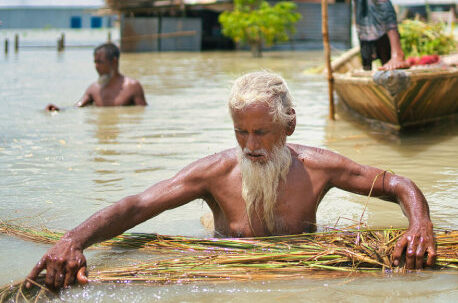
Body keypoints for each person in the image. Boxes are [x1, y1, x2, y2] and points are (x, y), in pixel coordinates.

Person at [28, 71, 435, 290]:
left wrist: (420, 225)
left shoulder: (319, 166)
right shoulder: (216, 173)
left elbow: (398, 184)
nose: (250, 145)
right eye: (241, 132)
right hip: (227, 261)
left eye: (262, 132)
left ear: (289, 124)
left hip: (302, 268)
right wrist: (73, 240)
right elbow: (137, 206)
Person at [45, 43, 147, 110]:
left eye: (100, 62)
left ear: (114, 61)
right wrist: (59, 109)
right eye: (95, 62)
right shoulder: (93, 89)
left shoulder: (132, 87)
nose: (96, 66)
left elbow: (142, 113)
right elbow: (76, 108)